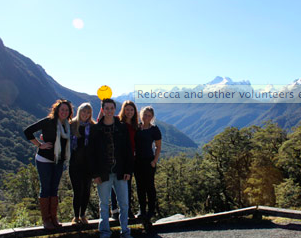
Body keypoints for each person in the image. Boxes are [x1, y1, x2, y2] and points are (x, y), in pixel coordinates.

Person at [24, 99, 73, 230]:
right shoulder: (48, 121)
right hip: (44, 159)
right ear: (57, 110)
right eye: (62, 109)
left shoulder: (68, 125)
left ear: (69, 112)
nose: (64, 112)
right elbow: (28, 131)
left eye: (67, 110)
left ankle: (54, 218)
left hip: (59, 161)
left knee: (54, 188)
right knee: (45, 188)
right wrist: (40, 145)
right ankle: (46, 220)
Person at [89, 98, 133, 238]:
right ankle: (105, 232)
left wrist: (128, 170)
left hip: (120, 171)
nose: (109, 111)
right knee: (103, 205)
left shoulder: (121, 127)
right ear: (102, 110)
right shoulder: (96, 129)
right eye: (106, 108)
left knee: (124, 204)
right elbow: (92, 153)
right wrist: (95, 174)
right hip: (103, 173)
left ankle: (125, 231)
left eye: (111, 108)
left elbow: (128, 150)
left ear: (115, 109)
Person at [110, 100, 138, 220]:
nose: (129, 112)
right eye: (127, 109)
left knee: (127, 184)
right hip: (118, 157)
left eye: (132, 110)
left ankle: (127, 210)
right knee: (114, 184)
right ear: (123, 110)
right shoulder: (117, 121)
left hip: (131, 158)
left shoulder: (135, 125)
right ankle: (115, 210)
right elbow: (102, 121)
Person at [69, 103, 95, 225]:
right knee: (77, 191)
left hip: (88, 164)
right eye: (83, 112)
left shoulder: (92, 126)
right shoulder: (72, 125)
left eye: (88, 112)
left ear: (90, 114)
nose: (85, 114)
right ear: (79, 112)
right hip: (74, 163)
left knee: (86, 191)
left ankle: (83, 215)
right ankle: (76, 216)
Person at [135, 106, 162, 221]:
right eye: (145, 114)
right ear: (141, 115)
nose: (146, 117)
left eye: (149, 115)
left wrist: (154, 161)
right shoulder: (136, 128)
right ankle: (142, 210)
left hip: (149, 161)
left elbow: (158, 146)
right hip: (137, 162)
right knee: (139, 187)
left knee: (150, 187)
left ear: (152, 117)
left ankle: (151, 210)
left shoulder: (154, 129)